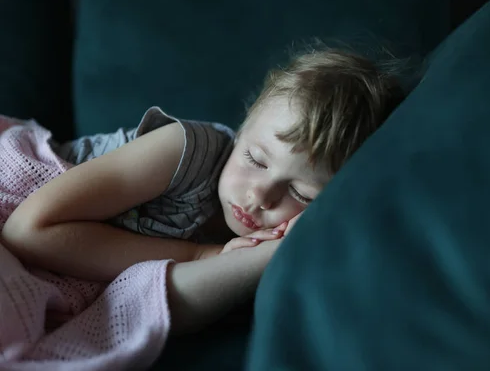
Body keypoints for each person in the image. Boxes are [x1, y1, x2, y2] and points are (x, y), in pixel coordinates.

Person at [1, 46, 407, 333]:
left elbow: (158, 310)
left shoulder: (273, 244)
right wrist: (199, 255)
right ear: (243, 128)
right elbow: (27, 230)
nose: (261, 195)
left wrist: (262, 256)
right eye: (256, 159)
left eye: (302, 193)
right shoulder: (187, 150)